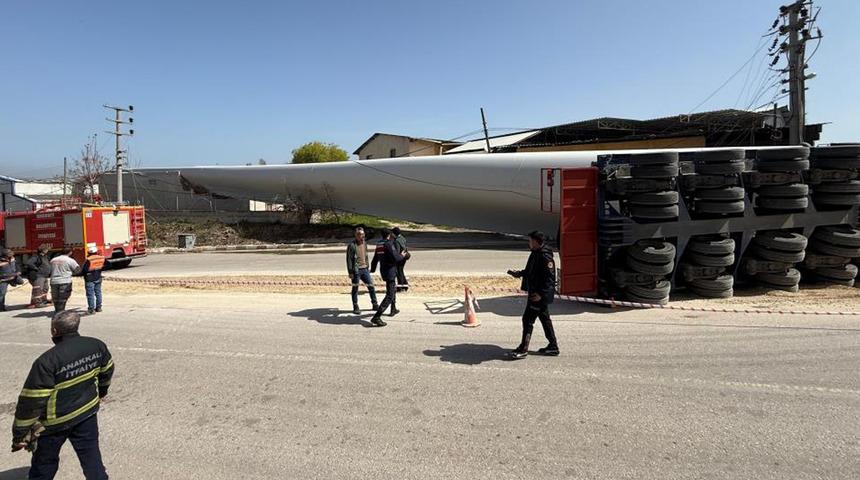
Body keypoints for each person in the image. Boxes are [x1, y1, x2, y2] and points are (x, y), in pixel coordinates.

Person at [11, 310, 114, 479]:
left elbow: (31, 402)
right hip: (86, 413)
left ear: (54, 331)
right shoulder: (96, 345)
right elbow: (106, 372)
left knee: (44, 465)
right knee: (91, 458)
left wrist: (19, 434)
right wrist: (102, 392)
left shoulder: (47, 361)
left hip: (54, 424)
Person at [506, 230, 559, 359]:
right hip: (535, 292)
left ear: (536, 242)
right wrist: (519, 274)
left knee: (527, 320)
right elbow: (531, 270)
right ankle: (553, 346)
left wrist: (541, 294)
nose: (528, 243)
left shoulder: (545, 256)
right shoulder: (536, 253)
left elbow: (550, 279)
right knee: (545, 320)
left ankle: (523, 349)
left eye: (530, 241)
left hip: (538, 295)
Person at [369, 229, 404, 327]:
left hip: (384, 271)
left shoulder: (379, 244)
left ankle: (393, 308)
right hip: (390, 272)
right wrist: (402, 255)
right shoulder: (388, 244)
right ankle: (377, 316)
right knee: (390, 294)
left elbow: (375, 258)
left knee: (392, 289)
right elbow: (396, 258)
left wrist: (372, 269)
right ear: (389, 235)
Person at [346, 227, 379, 314]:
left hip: (365, 270)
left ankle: (375, 304)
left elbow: (366, 255)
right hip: (356, 271)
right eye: (359, 234)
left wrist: (367, 266)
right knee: (355, 288)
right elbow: (349, 259)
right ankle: (355, 306)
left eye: (362, 234)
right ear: (355, 235)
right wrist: (350, 272)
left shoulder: (364, 243)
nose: (361, 236)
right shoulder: (352, 246)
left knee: (371, 286)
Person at [49, 248, 80, 313]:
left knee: (55, 298)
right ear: (70, 252)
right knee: (63, 297)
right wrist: (72, 273)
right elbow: (77, 270)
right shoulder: (70, 260)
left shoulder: (53, 260)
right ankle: (60, 312)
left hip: (53, 281)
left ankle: (57, 310)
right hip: (65, 281)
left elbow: (49, 270)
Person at [25, 244, 53, 309]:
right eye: (46, 249)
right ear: (43, 250)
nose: (47, 250)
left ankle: (43, 300)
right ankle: (38, 303)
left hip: (44, 276)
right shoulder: (36, 257)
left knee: (45, 288)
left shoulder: (44, 256)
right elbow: (29, 263)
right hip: (39, 276)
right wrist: (36, 268)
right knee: (38, 290)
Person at [81, 247, 105, 314]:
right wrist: (100, 269)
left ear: (89, 253)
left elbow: (84, 270)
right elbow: (108, 265)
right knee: (98, 293)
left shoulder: (88, 259)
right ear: (96, 252)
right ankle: (99, 307)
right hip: (98, 277)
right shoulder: (101, 258)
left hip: (89, 279)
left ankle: (91, 309)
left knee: (90, 294)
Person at [392, 227, 411, 291]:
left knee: (398, 271)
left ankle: (400, 286)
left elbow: (397, 250)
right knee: (401, 270)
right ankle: (405, 285)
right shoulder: (402, 238)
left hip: (401, 257)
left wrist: (396, 257)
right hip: (405, 256)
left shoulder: (396, 240)